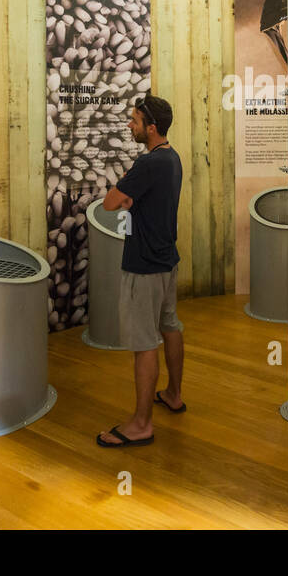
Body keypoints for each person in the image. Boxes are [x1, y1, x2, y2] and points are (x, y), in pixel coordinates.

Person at [96, 94, 184, 447]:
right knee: (170, 325)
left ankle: (142, 423)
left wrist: (126, 186)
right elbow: (130, 198)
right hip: (166, 260)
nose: (129, 125)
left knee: (145, 343)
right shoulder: (171, 158)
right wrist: (129, 191)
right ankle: (173, 395)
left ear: (150, 127)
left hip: (144, 264)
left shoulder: (147, 165)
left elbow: (110, 203)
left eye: (134, 121)